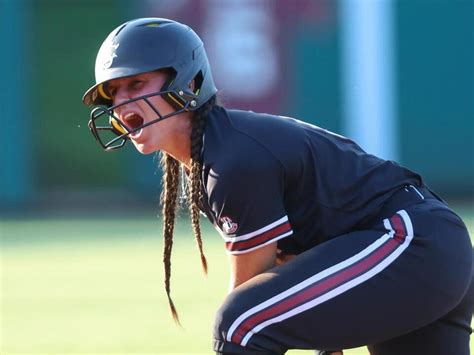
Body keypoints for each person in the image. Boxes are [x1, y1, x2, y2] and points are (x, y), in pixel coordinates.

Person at [82, 18, 473, 355]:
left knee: (239, 323)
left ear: (189, 81)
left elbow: (248, 299)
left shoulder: (231, 159)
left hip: (409, 243)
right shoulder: (218, 148)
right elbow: (294, 260)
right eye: (113, 92)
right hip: (424, 248)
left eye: (135, 83)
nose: (121, 101)